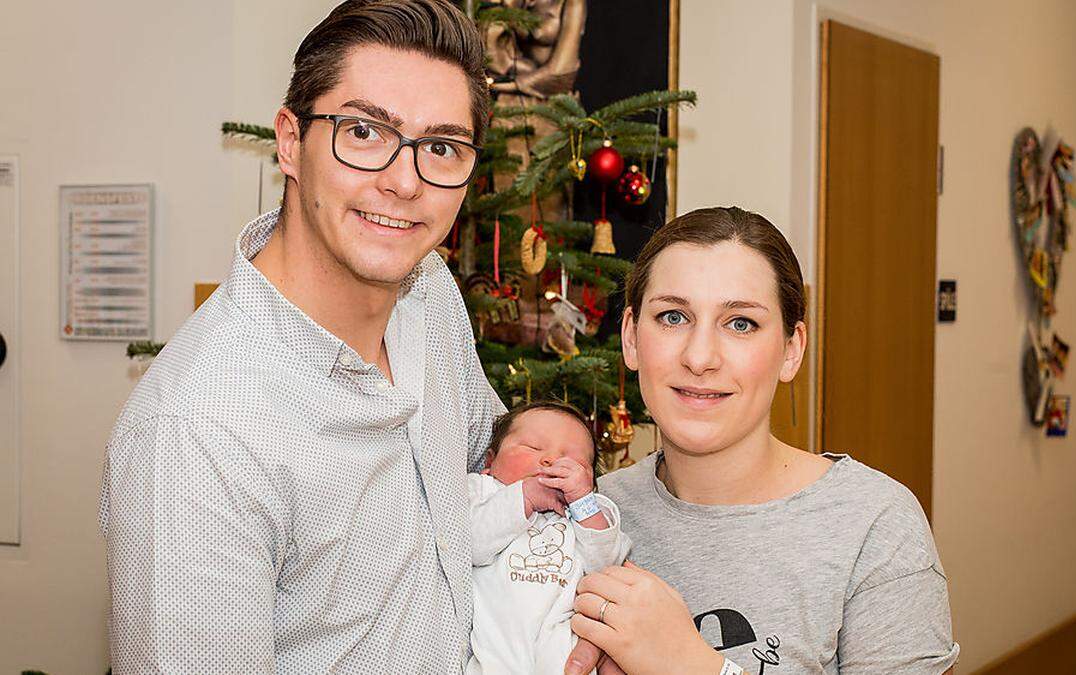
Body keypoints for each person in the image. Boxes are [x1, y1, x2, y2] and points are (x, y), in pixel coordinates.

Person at [98, 1, 506, 672]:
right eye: (364, 132)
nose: (405, 182)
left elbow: (483, 475)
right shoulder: (197, 433)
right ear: (290, 142)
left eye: (441, 147)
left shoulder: (431, 295)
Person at [564, 207, 959, 674]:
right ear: (631, 337)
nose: (700, 357)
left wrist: (690, 666)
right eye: (673, 316)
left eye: (741, 323)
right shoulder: (587, 515)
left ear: (792, 350)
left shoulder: (872, 524)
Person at [467, 401, 631, 675]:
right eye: (532, 447)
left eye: (574, 460)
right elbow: (468, 546)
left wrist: (581, 502)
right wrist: (525, 496)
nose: (552, 460)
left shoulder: (588, 510)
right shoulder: (482, 492)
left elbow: (607, 566)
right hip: (496, 643)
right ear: (490, 461)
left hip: (563, 637)